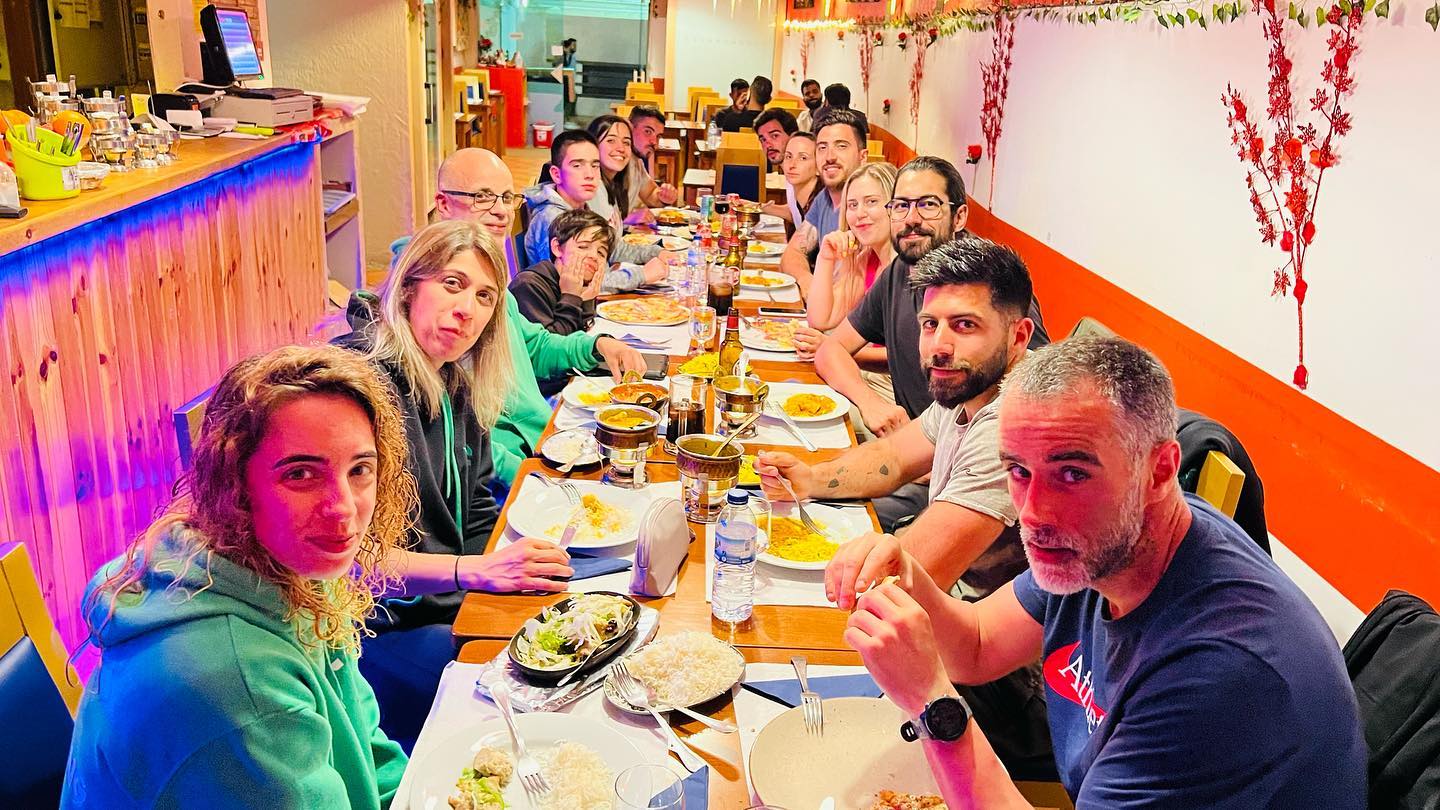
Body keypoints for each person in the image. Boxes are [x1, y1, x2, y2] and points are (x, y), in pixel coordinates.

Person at [840, 336, 1367, 808]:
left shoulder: (1221, 670)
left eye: (1072, 473)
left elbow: (956, 675)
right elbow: (977, 645)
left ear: (1159, 470)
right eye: (1019, 471)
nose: (1033, 514)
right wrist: (910, 576)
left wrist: (934, 704)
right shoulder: (1104, 547)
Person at [62, 345, 413, 807]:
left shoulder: (288, 562)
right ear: (235, 484)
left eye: (360, 469)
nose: (344, 508)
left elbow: (366, 746)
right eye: (301, 474)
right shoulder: (239, 686)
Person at [760, 237, 1055, 778]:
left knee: (797, 722)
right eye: (929, 324)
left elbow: (910, 576)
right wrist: (810, 478)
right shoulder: (973, 383)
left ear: (1018, 336)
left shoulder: (1014, 423)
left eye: (964, 325)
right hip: (957, 629)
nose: (938, 346)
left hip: (1012, 683)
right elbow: (895, 457)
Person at [338, 220, 572, 749]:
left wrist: (512, 570)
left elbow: (478, 507)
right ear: (408, 288)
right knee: (547, 701)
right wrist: (475, 571)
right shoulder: (358, 389)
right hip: (375, 631)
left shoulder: (454, 381)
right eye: (452, 284)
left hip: (449, 603)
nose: (468, 309)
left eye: (485, 296)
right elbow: (351, 565)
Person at [411, 147, 644, 483]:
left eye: (507, 198)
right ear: (443, 203)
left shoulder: (490, 279)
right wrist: (525, 476)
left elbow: (533, 346)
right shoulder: (427, 293)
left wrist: (598, 346)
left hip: (545, 442)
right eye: (482, 197)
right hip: (512, 474)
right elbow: (454, 437)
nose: (500, 211)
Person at [815, 155, 1048, 438]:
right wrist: (870, 403)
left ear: (959, 217)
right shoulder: (899, 272)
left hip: (965, 453)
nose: (912, 219)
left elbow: (1043, 393)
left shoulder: (989, 280)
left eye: (928, 205)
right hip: (907, 444)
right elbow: (830, 350)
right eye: (901, 206)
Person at [523, 129, 671, 290]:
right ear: (556, 174)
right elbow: (572, 285)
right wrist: (641, 275)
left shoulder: (580, 207)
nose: (590, 174)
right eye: (577, 165)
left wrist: (656, 252)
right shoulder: (551, 217)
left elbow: (613, 250)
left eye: (595, 165)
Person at [803, 162, 897, 339]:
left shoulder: (907, 269)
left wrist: (832, 345)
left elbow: (908, 351)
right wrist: (825, 258)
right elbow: (820, 320)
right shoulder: (865, 260)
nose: (859, 213)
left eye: (871, 202)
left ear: (896, 206)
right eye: (852, 205)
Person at [778, 110, 867, 296]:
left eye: (841, 146)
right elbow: (792, 253)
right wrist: (807, 282)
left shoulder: (866, 210)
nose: (829, 156)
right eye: (822, 147)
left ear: (863, 157)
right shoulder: (824, 198)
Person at [509, 207, 610, 335]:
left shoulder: (582, 286)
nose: (594, 256)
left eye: (601, 253)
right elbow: (552, 345)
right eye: (583, 247)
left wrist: (586, 301)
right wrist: (571, 297)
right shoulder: (528, 285)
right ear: (557, 248)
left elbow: (582, 336)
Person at [761, 131, 818, 229]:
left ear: (819, 167)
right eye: (788, 156)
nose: (792, 165)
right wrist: (753, 207)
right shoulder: (801, 198)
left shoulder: (823, 207)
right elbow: (794, 213)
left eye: (803, 158)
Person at [627, 105, 681, 207]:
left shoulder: (636, 161)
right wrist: (635, 215)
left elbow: (650, 194)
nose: (654, 141)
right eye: (648, 131)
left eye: (658, 136)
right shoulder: (612, 162)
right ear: (629, 128)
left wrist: (665, 197)